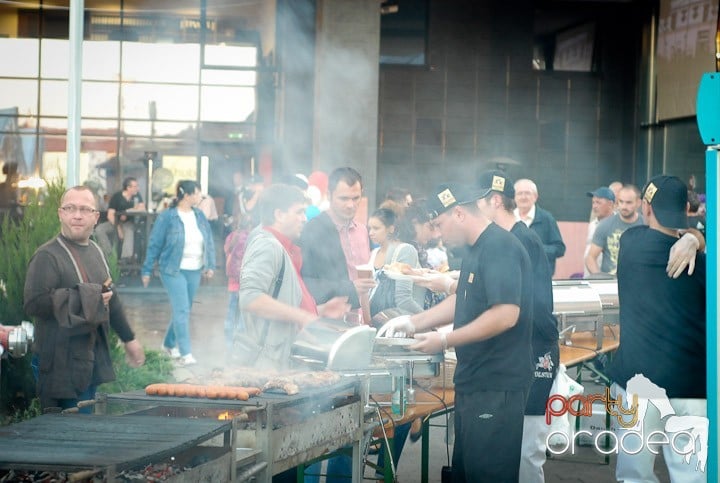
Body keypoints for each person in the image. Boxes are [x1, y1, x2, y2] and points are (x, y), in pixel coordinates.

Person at [379, 182, 534, 482]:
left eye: (439, 224)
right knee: (467, 473)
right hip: (474, 381)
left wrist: (444, 339)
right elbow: (462, 297)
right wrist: (414, 322)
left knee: (487, 475)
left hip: (496, 385)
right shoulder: (477, 249)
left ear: (459, 213)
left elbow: (505, 314)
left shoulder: (499, 246)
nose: (437, 233)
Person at [607, 175, 707, 482]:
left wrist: (692, 238)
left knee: (635, 476)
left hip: (640, 385)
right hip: (692, 386)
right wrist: (696, 239)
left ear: (647, 209)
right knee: (692, 476)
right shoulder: (705, 264)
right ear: (686, 211)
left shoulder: (631, 244)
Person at [23, 186, 145, 412]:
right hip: (58, 362)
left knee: (82, 430)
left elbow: (110, 296)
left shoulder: (97, 251)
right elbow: (33, 302)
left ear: (95, 217)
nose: (76, 215)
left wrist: (129, 339)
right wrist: (86, 298)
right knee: (63, 434)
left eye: (83, 209)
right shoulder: (47, 256)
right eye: (70, 208)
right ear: (60, 213)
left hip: (88, 359)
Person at [475, 170, 559, 483]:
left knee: (527, 453)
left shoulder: (521, 240)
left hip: (537, 354)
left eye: (478, 202)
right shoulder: (507, 240)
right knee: (511, 448)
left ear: (494, 201)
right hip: (519, 354)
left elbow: (526, 310)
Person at [237, 184, 349, 370]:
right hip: (264, 365)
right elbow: (250, 299)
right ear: (279, 214)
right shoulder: (267, 245)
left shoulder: (283, 248)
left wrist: (318, 310)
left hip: (278, 361)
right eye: (299, 212)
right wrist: (303, 317)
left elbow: (281, 302)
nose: (304, 219)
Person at [141, 180, 215, 366]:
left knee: (184, 309)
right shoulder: (168, 217)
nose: (200, 197)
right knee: (182, 309)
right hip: (172, 269)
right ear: (187, 195)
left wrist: (210, 265)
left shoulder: (199, 215)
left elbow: (209, 241)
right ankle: (186, 353)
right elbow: (155, 243)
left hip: (195, 269)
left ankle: (167, 344)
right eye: (198, 193)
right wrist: (147, 269)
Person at [300, 167, 375, 311]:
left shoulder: (363, 231)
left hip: (362, 316)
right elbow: (305, 283)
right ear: (329, 195)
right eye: (343, 198)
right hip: (329, 319)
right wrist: (349, 288)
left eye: (355, 198)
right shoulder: (313, 230)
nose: (350, 205)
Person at [585, 185, 643, 276]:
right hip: (610, 284)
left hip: (638, 280)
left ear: (638, 203)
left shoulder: (646, 225)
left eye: (629, 203)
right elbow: (590, 258)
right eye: (621, 202)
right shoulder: (604, 225)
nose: (624, 206)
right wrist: (599, 278)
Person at [513, 178, 565, 274]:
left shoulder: (547, 219)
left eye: (527, 193)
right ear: (514, 197)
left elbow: (560, 249)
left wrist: (536, 249)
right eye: (520, 193)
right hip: (514, 276)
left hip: (540, 279)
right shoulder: (509, 219)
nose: (523, 197)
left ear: (535, 197)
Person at [95, 177, 145, 261]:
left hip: (129, 223)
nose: (138, 188)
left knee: (129, 230)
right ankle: (109, 254)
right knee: (99, 229)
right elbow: (110, 215)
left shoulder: (137, 195)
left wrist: (128, 211)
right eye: (135, 186)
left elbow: (142, 208)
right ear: (128, 187)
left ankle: (126, 259)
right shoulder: (117, 197)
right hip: (115, 222)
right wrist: (118, 228)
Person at [584, 186, 616, 277]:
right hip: (590, 277)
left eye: (598, 202)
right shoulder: (593, 225)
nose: (594, 206)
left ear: (610, 204)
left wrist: (600, 279)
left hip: (606, 279)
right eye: (593, 202)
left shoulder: (616, 225)